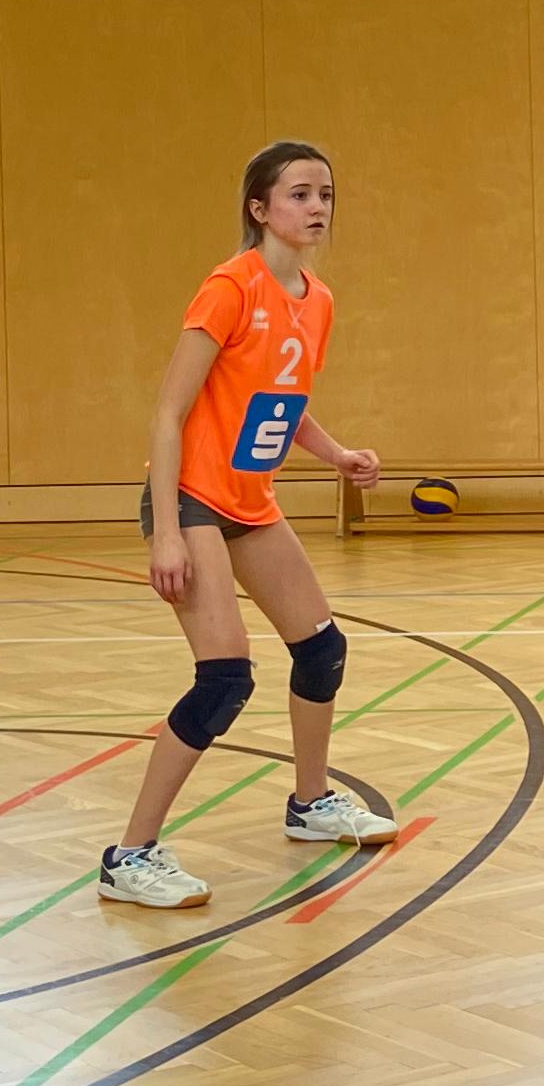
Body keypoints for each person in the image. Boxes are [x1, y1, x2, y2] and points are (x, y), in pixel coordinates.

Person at [102, 142, 395, 908]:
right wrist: (166, 529)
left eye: (326, 193)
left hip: (248, 502)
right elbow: (168, 413)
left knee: (322, 648)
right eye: (299, 194)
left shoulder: (318, 301)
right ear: (260, 209)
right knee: (225, 679)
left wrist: (336, 455)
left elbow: (281, 401)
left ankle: (310, 803)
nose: (317, 206)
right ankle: (129, 856)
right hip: (193, 499)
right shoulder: (229, 288)